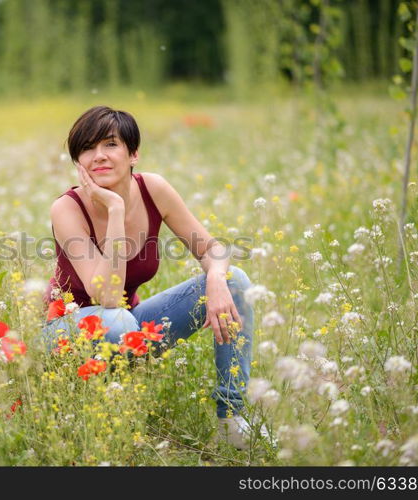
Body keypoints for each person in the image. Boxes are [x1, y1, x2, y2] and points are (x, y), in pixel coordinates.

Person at [41, 105, 264, 450]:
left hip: (128, 326)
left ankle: (231, 420)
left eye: (110, 145)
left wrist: (217, 280)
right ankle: (95, 410)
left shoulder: (153, 189)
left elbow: (213, 250)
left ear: (133, 154)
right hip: (69, 331)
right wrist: (115, 209)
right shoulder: (67, 208)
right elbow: (108, 298)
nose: (98, 156)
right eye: (87, 148)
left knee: (236, 282)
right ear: (77, 162)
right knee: (116, 321)